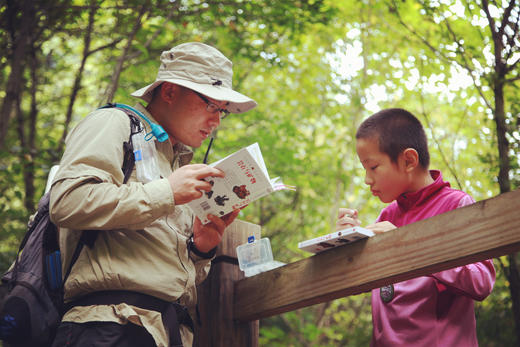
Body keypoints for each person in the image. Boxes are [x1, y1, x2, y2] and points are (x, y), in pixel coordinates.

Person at [49, 42, 257, 347]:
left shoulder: (177, 163)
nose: (215, 123)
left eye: (222, 112)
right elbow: (68, 201)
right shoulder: (114, 123)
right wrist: (167, 192)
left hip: (166, 333)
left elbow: (167, 272)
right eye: (210, 105)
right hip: (110, 326)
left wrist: (200, 249)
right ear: (170, 92)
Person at [336, 108, 495, 347]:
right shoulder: (387, 216)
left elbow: (482, 282)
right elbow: (358, 283)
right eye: (364, 169)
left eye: (373, 167)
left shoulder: (456, 205)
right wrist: (347, 244)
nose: (367, 179)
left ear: (408, 161)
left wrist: (407, 247)